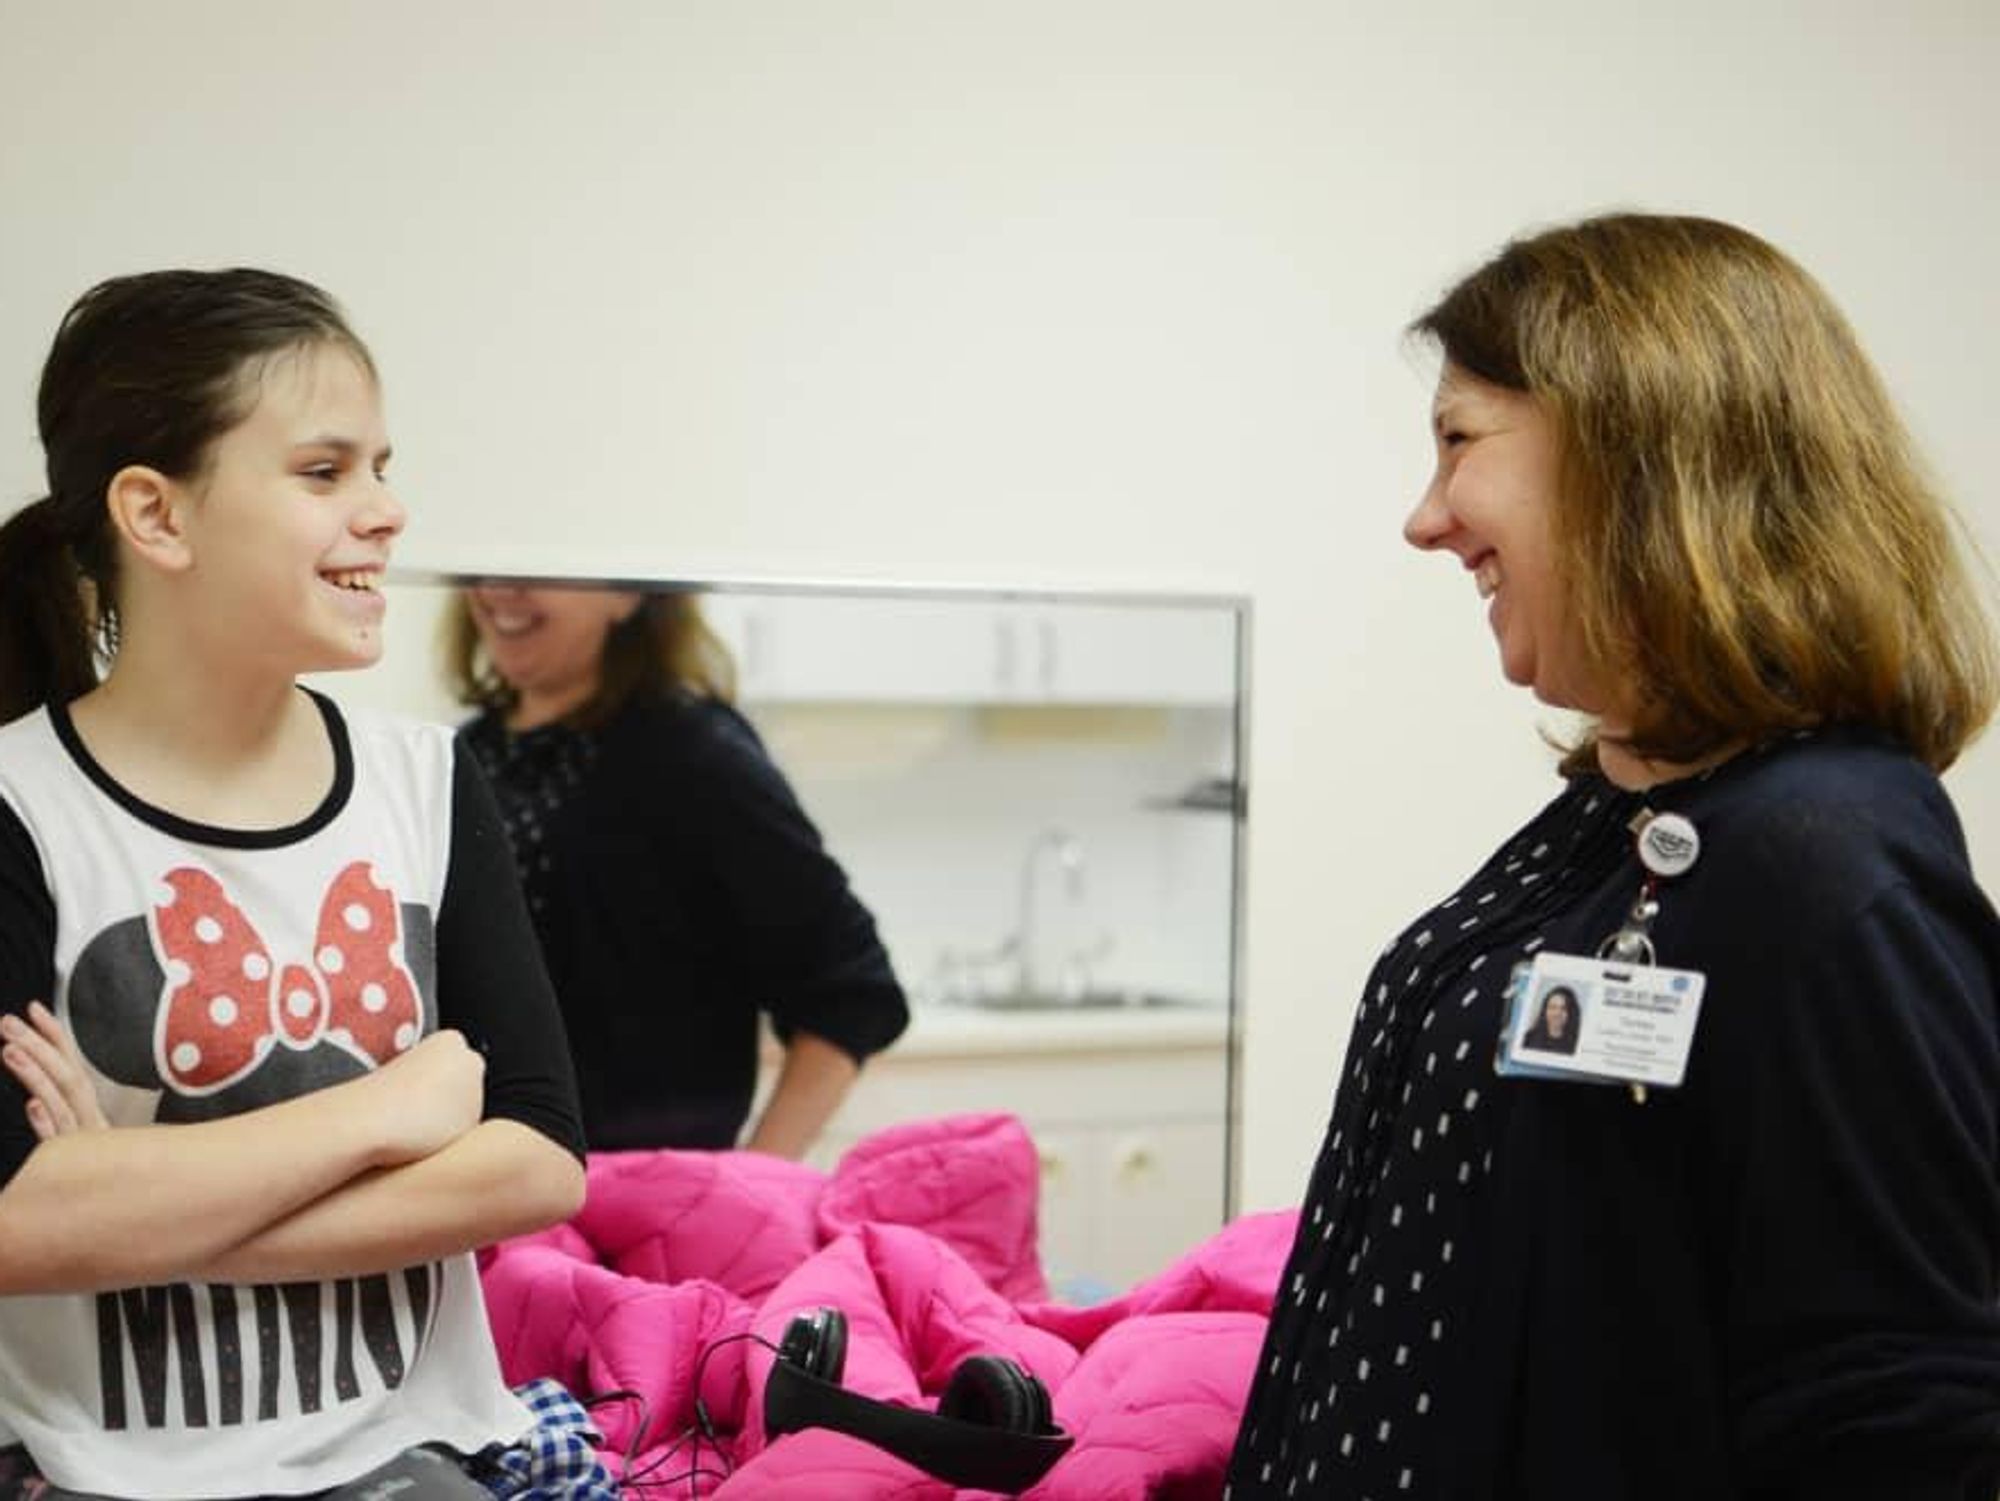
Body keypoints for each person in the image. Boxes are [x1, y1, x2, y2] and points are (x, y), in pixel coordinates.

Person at [1227, 215, 2000, 1500]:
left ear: (1634, 449)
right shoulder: (1616, 816)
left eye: (1458, 441)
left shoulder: (1828, 861)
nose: (1426, 522)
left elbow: (1899, 1411)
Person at [0, 270, 587, 1498]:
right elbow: (13, 1222)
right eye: (325, 474)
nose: (386, 512)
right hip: (95, 1476)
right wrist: (385, 1114)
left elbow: (534, 1159)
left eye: (380, 467)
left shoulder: (426, 783)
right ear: (157, 517)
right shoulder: (18, 806)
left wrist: (128, 1208)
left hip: (412, 1465)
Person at [444, 582, 909, 1156]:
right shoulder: (466, 753)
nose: (497, 591)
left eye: (532, 569)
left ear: (628, 596)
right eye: (482, 567)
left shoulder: (693, 750)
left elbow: (853, 993)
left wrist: (755, 1180)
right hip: (494, 1195)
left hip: (648, 1203)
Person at [1519, 983, 1580, 1056]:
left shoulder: (1577, 1044)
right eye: (1552, 1007)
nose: (1557, 1013)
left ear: (1571, 1013)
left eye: (1564, 1009)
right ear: (1545, 1010)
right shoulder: (1528, 1039)